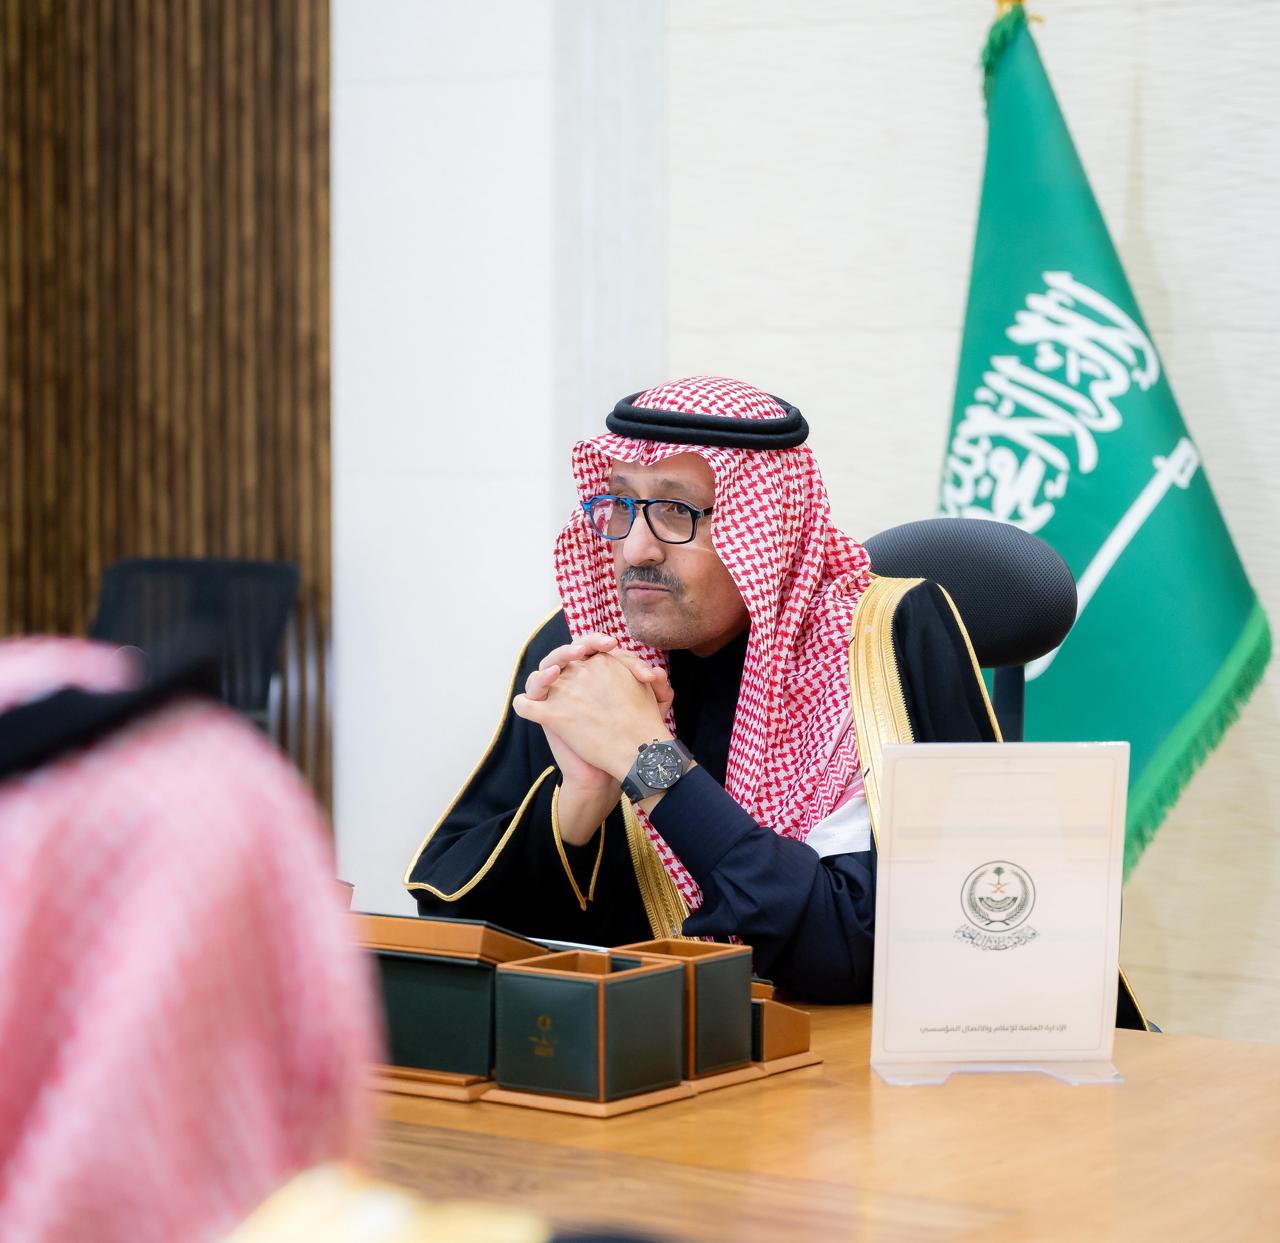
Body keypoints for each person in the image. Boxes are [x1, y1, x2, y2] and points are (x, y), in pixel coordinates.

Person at [404, 376, 1000, 1003]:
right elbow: (458, 937)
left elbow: (871, 949)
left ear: (765, 528)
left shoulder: (875, 641)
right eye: (621, 505)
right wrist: (580, 803)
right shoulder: (589, 648)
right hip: (636, 1044)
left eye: (676, 511)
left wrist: (648, 764)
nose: (636, 549)